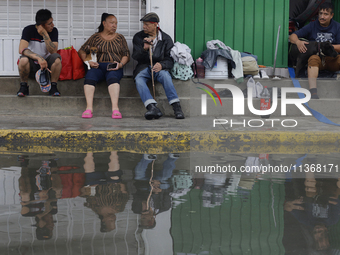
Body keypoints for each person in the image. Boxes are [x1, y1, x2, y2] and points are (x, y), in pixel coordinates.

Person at [132, 12, 185, 120]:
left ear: (155, 24)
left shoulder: (166, 39)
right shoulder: (138, 37)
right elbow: (135, 56)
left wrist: (162, 65)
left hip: (160, 68)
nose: (144, 27)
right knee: (139, 79)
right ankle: (152, 107)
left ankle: (176, 107)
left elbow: (170, 60)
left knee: (165, 76)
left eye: (147, 24)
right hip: (143, 67)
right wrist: (144, 48)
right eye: (143, 24)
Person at [78, 13, 130, 119]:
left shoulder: (120, 38)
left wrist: (120, 65)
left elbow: (126, 55)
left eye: (116, 23)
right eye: (112, 23)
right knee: (90, 77)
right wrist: (87, 62)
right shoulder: (95, 37)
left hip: (113, 66)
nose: (114, 25)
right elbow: (82, 50)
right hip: (98, 66)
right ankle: (89, 109)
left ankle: (115, 109)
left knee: (113, 78)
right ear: (104, 23)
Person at [289, 2, 340, 99]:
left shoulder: (337, 27)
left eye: (326, 14)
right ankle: (313, 92)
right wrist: (298, 42)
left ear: (331, 15)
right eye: (320, 13)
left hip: (332, 58)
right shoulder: (312, 25)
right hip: (317, 59)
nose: (322, 17)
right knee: (313, 58)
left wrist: (328, 47)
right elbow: (292, 36)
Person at [17, 9, 62, 97]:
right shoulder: (28, 30)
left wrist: (45, 34)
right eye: (49, 23)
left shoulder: (54, 31)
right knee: (23, 59)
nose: (53, 25)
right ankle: (24, 86)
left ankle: (53, 87)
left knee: (57, 58)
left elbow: (53, 51)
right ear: (41, 25)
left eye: (52, 22)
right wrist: (39, 58)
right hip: (33, 65)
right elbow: (22, 49)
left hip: (47, 68)